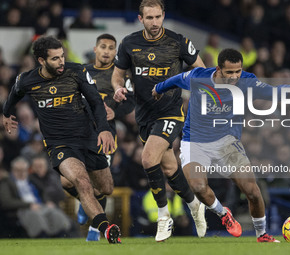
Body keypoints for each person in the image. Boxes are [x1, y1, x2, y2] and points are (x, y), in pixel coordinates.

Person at [152, 48, 290, 242]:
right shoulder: (198, 76)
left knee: (252, 191)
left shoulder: (247, 80)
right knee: (198, 186)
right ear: (218, 69)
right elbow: (175, 79)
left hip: (227, 142)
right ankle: (224, 214)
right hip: (194, 141)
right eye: (229, 72)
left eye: (237, 71)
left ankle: (262, 234)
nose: (234, 76)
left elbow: (271, 92)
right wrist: (158, 88)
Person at [2, 36, 121, 244]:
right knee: (83, 182)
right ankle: (106, 228)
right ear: (41, 61)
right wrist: (6, 114)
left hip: (87, 137)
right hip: (59, 143)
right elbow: (12, 96)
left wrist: (103, 130)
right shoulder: (27, 80)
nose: (61, 62)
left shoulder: (76, 72)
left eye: (62, 56)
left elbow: (95, 102)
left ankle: (88, 207)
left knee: (106, 188)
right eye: (55, 59)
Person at [112, 0, 206, 241]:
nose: (154, 22)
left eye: (158, 17)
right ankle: (195, 205)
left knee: (147, 158)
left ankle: (164, 218)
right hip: (144, 115)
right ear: (140, 18)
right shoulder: (129, 44)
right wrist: (118, 89)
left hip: (171, 111)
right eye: (149, 18)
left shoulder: (178, 42)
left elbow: (200, 70)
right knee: (169, 168)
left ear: (164, 15)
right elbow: (117, 77)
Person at [61, 33, 135, 242]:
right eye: (103, 47)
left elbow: (130, 101)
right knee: (67, 182)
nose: (107, 51)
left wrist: (116, 112)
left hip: (104, 136)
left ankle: (95, 229)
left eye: (111, 48)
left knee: (103, 186)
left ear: (115, 51)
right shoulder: (81, 72)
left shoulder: (119, 76)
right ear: (95, 49)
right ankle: (87, 202)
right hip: (78, 133)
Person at [0, 156, 71, 238]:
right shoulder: (6, 183)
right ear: (12, 171)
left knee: (54, 213)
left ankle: (62, 234)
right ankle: (43, 236)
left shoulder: (31, 180)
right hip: (22, 209)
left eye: (24, 170)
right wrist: (28, 205)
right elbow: (6, 201)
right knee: (35, 216)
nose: (21, 173)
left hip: (39, 206)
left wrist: (47, 201)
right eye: (18, 170)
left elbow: (43, 192)